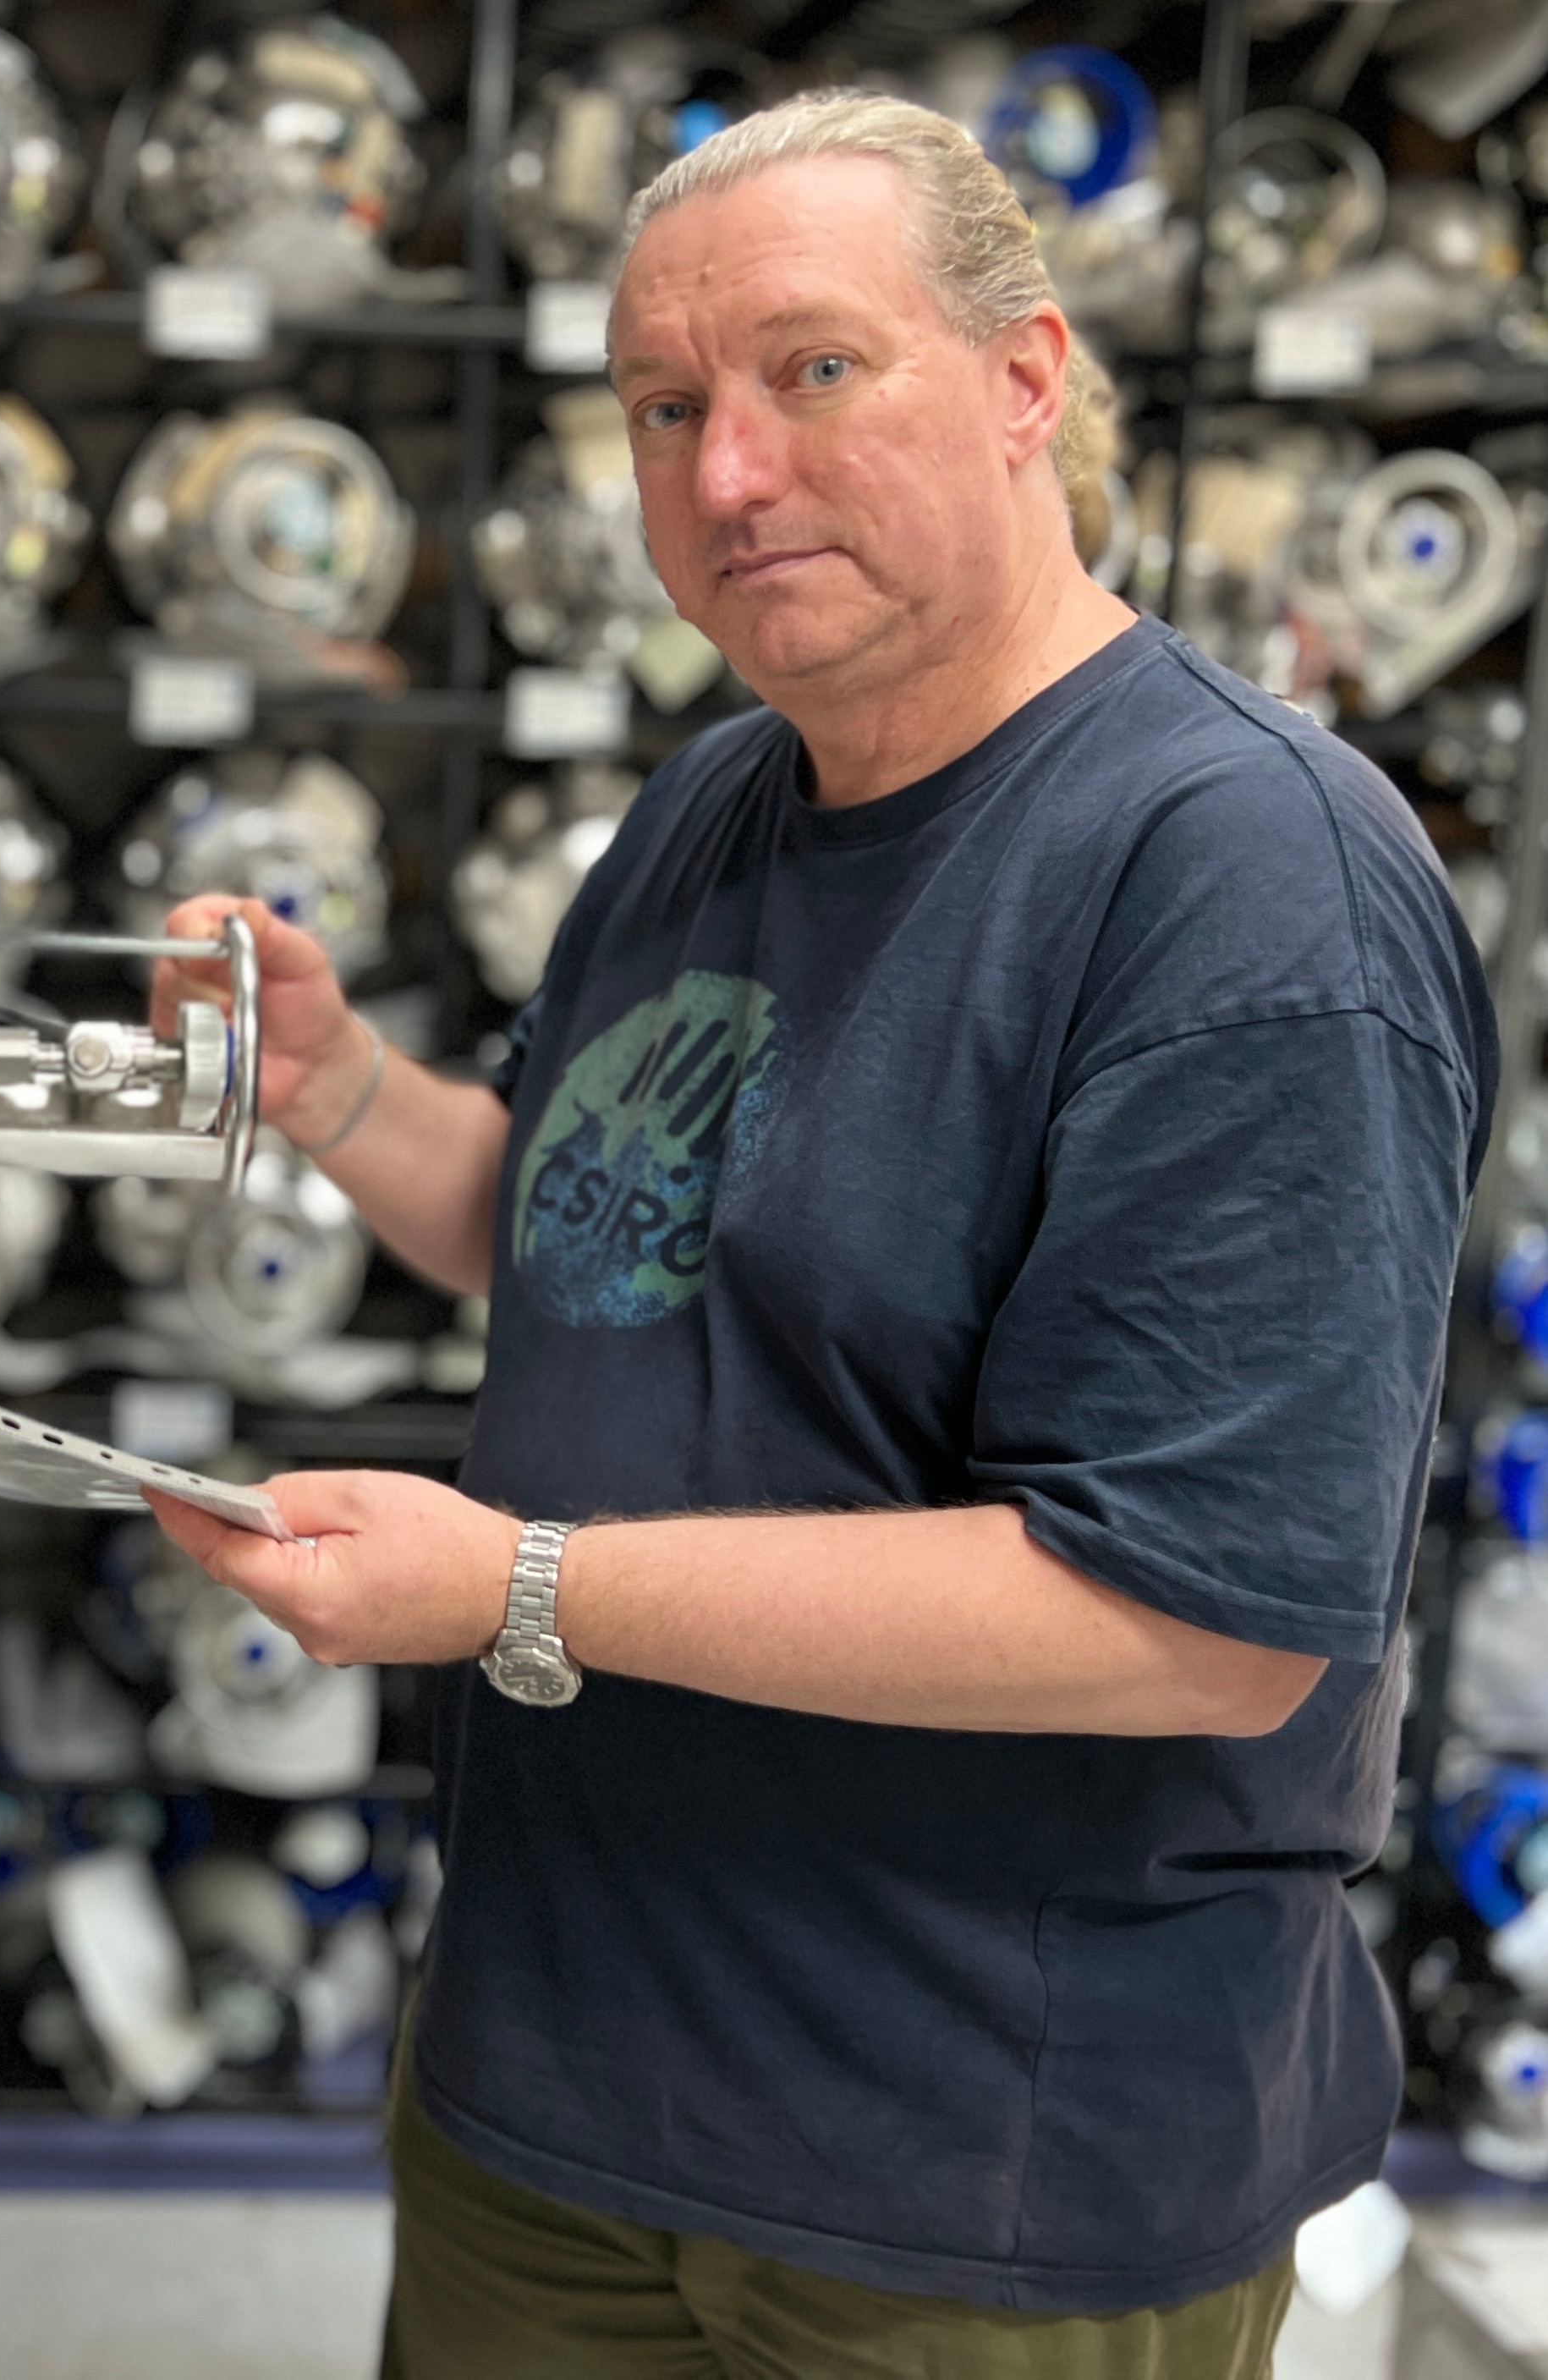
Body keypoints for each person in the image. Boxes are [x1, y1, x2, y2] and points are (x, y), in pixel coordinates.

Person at [145, 90, 1497, 2377]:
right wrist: (347, 1099)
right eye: (665, 408)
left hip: (967, 2183)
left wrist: (520, 1586)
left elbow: (1197, 1619)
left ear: (1026, 381)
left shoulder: (1243, 878)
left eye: (814, 371)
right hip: (556, 2104)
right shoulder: (720, 797)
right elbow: (610, 1234)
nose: (729, 476)